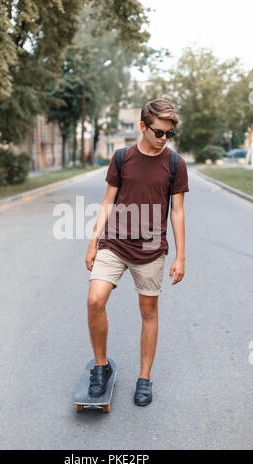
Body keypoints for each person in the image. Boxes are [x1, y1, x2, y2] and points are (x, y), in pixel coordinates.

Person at [85, 99, 189, 406]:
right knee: (94, 299)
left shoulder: (174, 163)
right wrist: (93, 241)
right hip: (114, 243)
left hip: (150, 249)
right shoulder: (121, 158)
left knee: (148, 312)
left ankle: (144, 378)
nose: (163, 139)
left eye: (169, 134)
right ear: (142, 126)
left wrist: (181, 255)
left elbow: (178, 212)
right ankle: (101, 367)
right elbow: (107, 202)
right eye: (158, 132)